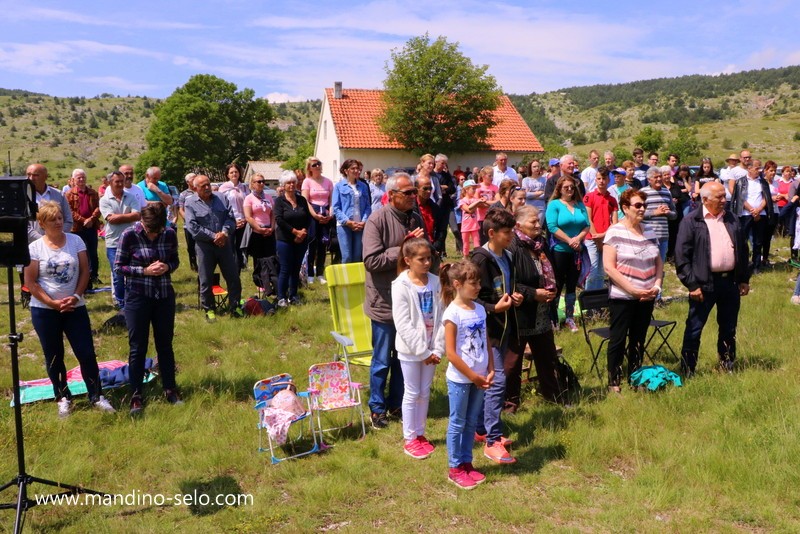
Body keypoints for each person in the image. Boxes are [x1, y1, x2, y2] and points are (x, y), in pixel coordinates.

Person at [24, 201, 114, 416]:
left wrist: (75, 296)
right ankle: (63, 397)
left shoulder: (75, 240)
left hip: (76, 307)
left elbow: (85, 271)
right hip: (45, 310)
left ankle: (96, 395)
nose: (57, 222)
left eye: (59, 218)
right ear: (42, 223)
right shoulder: (35, 248)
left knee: (86, 352)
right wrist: (52, 303)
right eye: (52, 219)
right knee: (54, 355)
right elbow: (31, 282)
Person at [362, 172, 430, 429]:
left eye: (415, 192)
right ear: (392, 196)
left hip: (411, 301)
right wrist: (402, 248)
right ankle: (377, 409)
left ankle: (398, 403)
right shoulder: (376, 220)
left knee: (405, 357)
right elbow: (371, 261)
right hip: (384, 302)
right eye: (409, 193)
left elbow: (423, 251)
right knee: (381, 360)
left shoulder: (415, 217)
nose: (414, 196)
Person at [675, 182, 750, 377]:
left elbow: (743, 249)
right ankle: (688, 369)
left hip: (730, 283)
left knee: (729, 326)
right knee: (694, 328)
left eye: (724, 196)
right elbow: (682, 257)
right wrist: (692, 284)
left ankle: (727, 364)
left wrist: (743, 278)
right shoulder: (692, 221)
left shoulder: (732, 218)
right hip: (703, 284)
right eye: (720, 197)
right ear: (705, 199)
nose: (724, 200)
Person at [115, 203, 181, 415]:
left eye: (158, 230)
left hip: (163, 295)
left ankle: (170, 388)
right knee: (137, 347)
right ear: (142, 222)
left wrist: (167, 267)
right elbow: (119, 266)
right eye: (151, 230)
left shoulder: (169, 233)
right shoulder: (129, 235)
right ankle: (136, 394)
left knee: (165, 345)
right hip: (137, 297)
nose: (155, 234)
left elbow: (175, 260)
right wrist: (144, 270)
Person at [470, 208, 520, 464]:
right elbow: (469, 297)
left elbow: (503, 288)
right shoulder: (479, 260)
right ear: (491, 233)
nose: (512, 235)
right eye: (507, 232)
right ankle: (492, 441)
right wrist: (493, 308)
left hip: (504, 325)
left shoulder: (508, 255)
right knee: (497, 381)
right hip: (485, 328)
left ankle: (481, 429)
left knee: (492, 380)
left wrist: (513, 297)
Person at [603, 189, 663, 393]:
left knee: (638, 339)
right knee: (618, 340)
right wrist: (633, 291)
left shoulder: (649, 230)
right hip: (623, 297)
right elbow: (609, 268)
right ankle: (614, 382)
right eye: (637, 205)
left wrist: (656, 286)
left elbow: (658, 262)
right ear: (625, 208)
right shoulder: (614, 232)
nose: (642, 209)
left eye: (644, 205)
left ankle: (635, 379)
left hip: (647, 296)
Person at [507, 205, 567, 407]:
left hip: (542, 313)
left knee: (547, 358)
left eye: (537, 220)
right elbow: (511, 282)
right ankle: (510, 405)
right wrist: (534, 294)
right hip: (522, 313)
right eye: (532, 221)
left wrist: (552, 289)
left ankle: (555, 398)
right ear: (518, 225)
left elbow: (551, 271)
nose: (537, 225)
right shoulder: (512, 247)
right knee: (513, 364)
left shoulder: (541, 244)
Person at [441, 260, 493, 490]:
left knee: (471, 422)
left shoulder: (480, 308)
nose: (478, 286)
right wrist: (473, 376)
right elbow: (451, 354)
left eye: (479, 282)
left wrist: (491, 368)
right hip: (462, 380)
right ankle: (455, 468)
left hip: (480, 377)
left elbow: (486, 342)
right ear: (457, 284)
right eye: (473, 283)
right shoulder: (452, 313)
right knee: (458, 422)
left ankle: (467, 462)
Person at [392, 237, 444, 460]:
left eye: (429, 259)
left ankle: (420, 434)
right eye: (421, 259)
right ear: (408, 260)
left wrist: (437, 349)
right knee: (412, 392)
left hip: (432, 349)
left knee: (425, 391)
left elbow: (442, 317)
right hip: (411, 350)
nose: (426, 263)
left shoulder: (435, 282)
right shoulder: (400, 285)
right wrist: (423, 352)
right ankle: (409, 437)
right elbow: (402, 323)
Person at [184, 174, 243, 321]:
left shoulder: (221, 198)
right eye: (203, 186)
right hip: (204, 247)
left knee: (233, 277)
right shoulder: (190, 203)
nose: (206, 188)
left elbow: (230, 218)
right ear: (195, 188)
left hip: (224, 244)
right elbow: (193, 227)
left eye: (208, 184)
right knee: (206, 280)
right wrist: (214, 236)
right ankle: (209, 309)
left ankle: (235, 307)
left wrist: (224, 233)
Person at [546, 175, 590, 333]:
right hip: (559, 251)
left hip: (576, 251)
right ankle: (553, 318)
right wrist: (569, 240)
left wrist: (578, 239)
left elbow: (587, 225)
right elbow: (551, 226)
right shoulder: (554, 204)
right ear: (559, 189)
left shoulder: (579, 205)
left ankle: (570, 317)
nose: (570, 190)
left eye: (572, 187)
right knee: (557, 284)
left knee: (571, 285)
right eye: (566, 187)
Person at [99, 170, 140, 310]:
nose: (120, 184)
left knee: (133, 272)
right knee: (118, 274)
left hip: (131, 241)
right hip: (113, 242)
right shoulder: (104, 200)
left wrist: (119, 217)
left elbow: (138, 215)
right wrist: (129, 216)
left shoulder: (130, 196)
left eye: (122, 181)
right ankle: (121, 303)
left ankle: (132, 299)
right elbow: (111, 219)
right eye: (117, 181)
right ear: (110, 182)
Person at [273, 169, 312, 306]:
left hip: (301, 239)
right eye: (288, 183)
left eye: (293, 182)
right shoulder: (279, 201)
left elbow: (308, 218)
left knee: (296, 268)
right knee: (285, 268)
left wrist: (303, 232)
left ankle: (293, 295)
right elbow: (279, 220)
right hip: (285, 240)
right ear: (283, 185)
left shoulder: (301, 200)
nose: (291, 185)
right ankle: (281, 297)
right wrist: (295, 232)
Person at [731, 160, 774, 274]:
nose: (758, 171)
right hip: (745, 215)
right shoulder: (741, 181)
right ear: (749, 169)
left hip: (761, 215)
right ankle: (742, 265)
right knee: (742, 241)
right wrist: (751, 210)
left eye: (760, 168)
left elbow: (766, 197)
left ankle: (756, 266)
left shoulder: (763, 182)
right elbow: (740, 198)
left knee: (758, 241)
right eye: (756, 168)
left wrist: (759, 210)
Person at [65, 168, 102, 288]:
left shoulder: (93, 192)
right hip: (77, 228)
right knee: (81, 253)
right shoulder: (69, 194)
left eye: (83, 177)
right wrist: (83, 220)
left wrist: (91, 219)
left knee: (93, 252)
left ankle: (94, 275)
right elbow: (69, 211)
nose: (81, 179)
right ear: (73, 180)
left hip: (91, 227)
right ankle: (83, 277)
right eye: (78, 177)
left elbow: (98, 207)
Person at [583, 166, 618, 291]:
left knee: (602, 272)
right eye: (599, 178)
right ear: (595, 180)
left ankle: (598, 302)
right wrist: (596, 237)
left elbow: (614, 222)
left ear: (608, 180)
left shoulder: (612, 200)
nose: (601, 181)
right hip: (591, 239)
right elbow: (588, 219)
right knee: (592, 270)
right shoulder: (589, 197)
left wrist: (603, 235)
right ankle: (589, 302)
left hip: (606, 239)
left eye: (604, 178)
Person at [243, 173, 278, 297]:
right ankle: (260, 284)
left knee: (271, 259)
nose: (261, 184)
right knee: (258, 260)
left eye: (263, 181)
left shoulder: (268, 197)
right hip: (257, 232)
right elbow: (248, 216)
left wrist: (272, 227)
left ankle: (272, 282)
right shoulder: (249, 198)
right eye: (258, 181)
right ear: (252, 184)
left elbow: (273, 213)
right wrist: (259, 229)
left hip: (269, 231)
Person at [301, 157, 333, 283]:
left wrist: (330, 213)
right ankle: (309, 274)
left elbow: (331, 200)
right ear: (309, 168)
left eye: (319, 163)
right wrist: (314, 215)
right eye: (314, 164)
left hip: (325, 213)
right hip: (312, 214)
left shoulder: (328, 182)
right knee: (312, 244)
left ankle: (320, 273)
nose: (317, 166)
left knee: (323, 244)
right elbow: (305, 201)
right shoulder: (307, 182)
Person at [332, 159, 371, 264]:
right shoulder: (338, 187)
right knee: (347, 256)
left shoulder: (363, 186)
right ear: (346, 171)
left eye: (357, 168)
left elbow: (368, 205)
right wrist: (348, 222)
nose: (356, 170)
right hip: (344, 226)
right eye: (353, 168)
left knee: (358, 256)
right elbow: (336, 208)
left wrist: (363, 221)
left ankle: (357, 281)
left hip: (359, 225)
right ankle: (346, 280)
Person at [641, 166, 676, 277]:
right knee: (647, 268)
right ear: (649, 179)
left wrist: (668, 213)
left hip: (663, 237)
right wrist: (654, 213)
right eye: (656, 177)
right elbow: (638, 215)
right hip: (647, 237)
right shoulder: (643, 193)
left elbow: (674, 215)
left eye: (660, 176)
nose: (659, 179)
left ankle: (657, 294)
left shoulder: (667, 192)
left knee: (659, 268)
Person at [26, 164, 73, 243]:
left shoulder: (59, 195)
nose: (31, 178)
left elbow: (68, 220)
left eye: (35, 175)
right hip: (32, 245)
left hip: (58, 244)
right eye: (28, 175)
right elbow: (23, 225)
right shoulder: (23, 196)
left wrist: (57, 236)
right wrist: (43, 241)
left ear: (45, 177)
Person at [218, 164, 250, 271]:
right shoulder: (223, 188)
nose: (234, 174)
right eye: (231, 172)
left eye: (236, 172)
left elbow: (248, 203)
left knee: (241, 247)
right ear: (227, 175)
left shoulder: (244, 187)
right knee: (230, 247)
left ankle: (240, 266)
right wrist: (234, 220)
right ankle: (231, 269)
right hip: (230, 221)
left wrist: (245, 219)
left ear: (239, 173)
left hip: (244, 220)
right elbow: (221, 206)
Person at [413, 173, 447, 248]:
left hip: (433, 247)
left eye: (430, 189)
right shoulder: (410, 209)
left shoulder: (435, 208)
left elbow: (442, 229)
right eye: (425, 189)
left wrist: (437, 245)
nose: (428, 191)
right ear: (416, 190)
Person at [177, 173, 198, 271]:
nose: (194, 180)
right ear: (187, 182)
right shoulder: (183, 194)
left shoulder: (200, 191)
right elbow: (180, 209)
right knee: (191, 246)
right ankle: (193, 265)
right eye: (192, 179)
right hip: (189, 225)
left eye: (195, 178)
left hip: (202, 223)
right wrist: (189, 220)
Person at [459, 179, 484, 256]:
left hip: (474, 226)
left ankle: (478, 256)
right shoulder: (462, 201)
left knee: (477, 243)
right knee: (466, 244)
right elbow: (469, 209)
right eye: (473, 188)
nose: (474, 190)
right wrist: (478, 202)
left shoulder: (475, 199)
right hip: (465, 226)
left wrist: (479, 201)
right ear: (466, 189)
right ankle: (465, 257)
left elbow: (481, 204)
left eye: (475, 189)